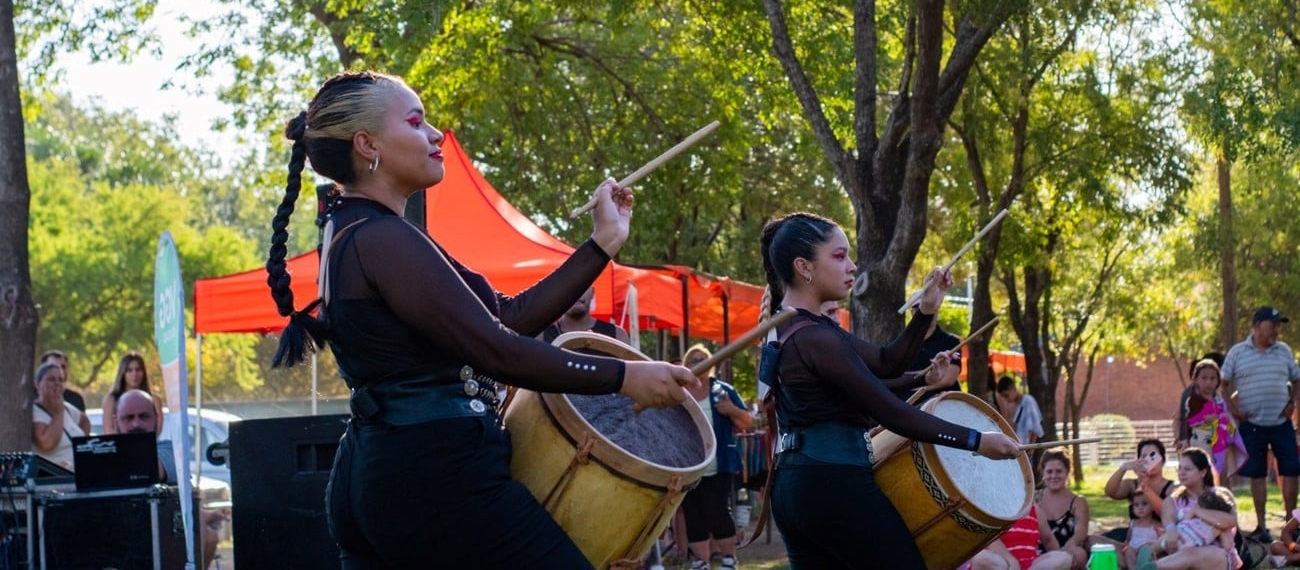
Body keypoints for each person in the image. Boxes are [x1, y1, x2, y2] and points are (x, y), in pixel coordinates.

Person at [263, 70, 697, 569]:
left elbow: (509, 318)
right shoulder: (381, 240)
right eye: (416, 121)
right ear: (367, 144)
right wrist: (625, 377)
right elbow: (499, 350)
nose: (434, 135)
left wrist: (602, 245)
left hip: (389, 472)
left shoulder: (363, 231)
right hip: (434, 479)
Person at [759, 211, 1020, 569]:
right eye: (839, 256)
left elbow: (885, 363)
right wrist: (976, 441)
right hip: (832, 484)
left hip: (798, 487)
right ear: (804, 267)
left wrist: (926, 313)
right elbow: (891, 412)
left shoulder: (798, 328)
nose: (852, 266)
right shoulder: (814, 336)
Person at [116, 389, 226, 570]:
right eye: (128, 418)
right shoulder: (102, 456)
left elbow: (152, 469)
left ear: (157, 419)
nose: (136, 423)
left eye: (144, 416)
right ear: (115, 422)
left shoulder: (170, 451)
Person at [1221, 305, 1300, 541]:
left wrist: (1292, 405)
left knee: (1292, 470)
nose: (1276, 330)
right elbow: (1223, 384)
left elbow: (1297, 380)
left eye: (1278, 325)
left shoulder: (1284, 351)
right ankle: (1261, 526)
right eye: (1272, 324)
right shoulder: (1237, 352)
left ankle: (1291, 522)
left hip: (1280, 423)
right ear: (1257, 326)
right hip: (1252, 425)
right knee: (1257, 474)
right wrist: (1234, 410)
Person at [681, 344, 752, 570]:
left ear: (712, 363)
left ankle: (729, 558)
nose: (699, 362)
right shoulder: (679, 391)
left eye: (704, 358)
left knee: (717, 511)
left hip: (718, 464)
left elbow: (746, 422)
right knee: (693, 515)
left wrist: (731, 409)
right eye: (694, 359)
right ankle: (701, 562)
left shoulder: (722, 390)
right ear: (686, 365)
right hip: (688, 466)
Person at [1146, 448, 1240, 569]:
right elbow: (1169, 524)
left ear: (1203, 472)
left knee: (1190, 553)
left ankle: (1153, 567)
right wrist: (1171, 531)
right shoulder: (1172, 500)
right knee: (1165, 548)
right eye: (1179, 468)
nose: (1181, 473)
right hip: (1179, 553)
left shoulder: (1220, 496)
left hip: (1216, 557)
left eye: (1188, 469)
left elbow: (1230, 521)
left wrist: (1197, 511)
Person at [1177, 359, 1247, 482]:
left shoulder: (1220, 400)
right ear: (1196, 380)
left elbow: (1227, 419)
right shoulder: (1193, 400)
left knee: (1222, 479)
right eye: (1204, 378)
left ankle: (1221, 500)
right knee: (1201, 479)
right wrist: (1203, 421)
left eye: (1212, 378)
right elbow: (1187, 421)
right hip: (1200, 445)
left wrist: (1221, 419)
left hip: (1220, 445)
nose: (1208, 382)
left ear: (1218, 380)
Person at [1102, 439, 1177, 545]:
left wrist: (1146, 488)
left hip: (1160, 540)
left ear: (1163, 460)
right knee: (1094, 541)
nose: (1148, 460)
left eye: (1153, 456)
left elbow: (1165, 512)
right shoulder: (1131, 484)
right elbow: (1110, 492)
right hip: (1134, 537)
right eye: (1144, 456)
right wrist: (1123, 468)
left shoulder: (1171, 487)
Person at [885, 305, 963, 403]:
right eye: (919, 308)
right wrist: (925, 378)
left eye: (930, 307)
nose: (926, 311)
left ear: (937, 311)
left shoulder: (951, 341)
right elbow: (890, 377)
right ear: (911, 312)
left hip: (942, 402)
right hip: (905, 404)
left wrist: (909, 383)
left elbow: (948, 379)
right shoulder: (899, 343)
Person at [966, 503, 1072, 570]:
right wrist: (1011, 560)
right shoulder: (990, 504)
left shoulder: (1034, 507)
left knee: (1064, 558)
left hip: (1030, 566)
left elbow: (1048, 539)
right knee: (980, 557)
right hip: (1001, 563)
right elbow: (987, 538)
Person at [1036, 450, 1091, 570]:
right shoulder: (1034, 499)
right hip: (1036, 551)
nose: (1054, 476)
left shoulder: (1078, 502)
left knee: (1080, 554)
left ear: (1067, 473)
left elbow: (1080, 534)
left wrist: (1065, 550)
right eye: (1049, 472)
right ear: (1043, 474)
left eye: (1059, 471)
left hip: (1067, 550)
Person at [31, 361, 90, 470]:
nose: (57, 383)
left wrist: (81, 448)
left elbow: (85, 421)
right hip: (54, 479)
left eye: (61, 380)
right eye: (51, 379)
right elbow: (46, 443)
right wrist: (58, 413)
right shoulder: (34, 411)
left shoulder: (67, 407)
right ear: (37, 384)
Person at [540, 285, 631, 343]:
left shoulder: (617, 336)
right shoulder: (542, 338)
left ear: (592, 292)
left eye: (583, 284)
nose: (577, 293)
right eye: (570, 286)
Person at [102, 351, 165, 434]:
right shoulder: (111, 400)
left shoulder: (155, 400)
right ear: (123, 373)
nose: (134, 374)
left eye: (138, 369)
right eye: (129, 370)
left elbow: (157, 431)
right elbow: (108, 431)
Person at [996, 376, 1044, 445]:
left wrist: (1031, 447)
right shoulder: (1009, 405)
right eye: (1003, 397)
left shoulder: (1028, 401)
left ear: (1013, 389)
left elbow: (1035, 425)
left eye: (1006, 395)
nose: (1005, 399)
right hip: (1014, 445)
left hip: (1026, 445)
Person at [1122, 493, 1164, 570]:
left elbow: (1161, 540)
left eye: (1144, 504)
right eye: (1136, 505)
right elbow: (1129, 537)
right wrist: (1127, 543)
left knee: (1147, 551)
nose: (1140, 508)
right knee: (1128, 551)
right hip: (1134, 548)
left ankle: (1145, 567)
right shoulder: (1133, 522)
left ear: (1153, 506)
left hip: (1148, 551)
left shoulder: (1156, 524)